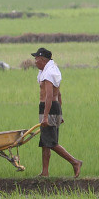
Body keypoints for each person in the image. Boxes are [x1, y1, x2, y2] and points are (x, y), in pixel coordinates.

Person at [31, 47, 83, 178]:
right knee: (45, 141)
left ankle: (75, 162)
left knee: (51, 142)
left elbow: (50, 96)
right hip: (52, 108)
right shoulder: (49, 70)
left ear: (42, 59)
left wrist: (46, 117)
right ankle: (45, 172)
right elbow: (59, 94)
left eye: (36, 58)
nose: (35, 61)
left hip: (48, 108)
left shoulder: (49, 74)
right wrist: (60, 114)